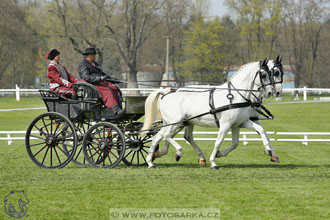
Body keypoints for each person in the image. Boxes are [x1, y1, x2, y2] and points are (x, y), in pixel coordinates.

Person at [78, 47, 122, 114]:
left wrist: (113, 80)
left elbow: (102, 74)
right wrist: (99, 79)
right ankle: (115, 109)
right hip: (90, 83)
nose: (95, 56)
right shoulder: (83, 64)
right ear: (88, 55)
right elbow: (86, 77)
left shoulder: (95, 64)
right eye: (93, 54)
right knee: (106, 89)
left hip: (99, 82)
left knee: (114, 88)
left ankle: (119, 108)